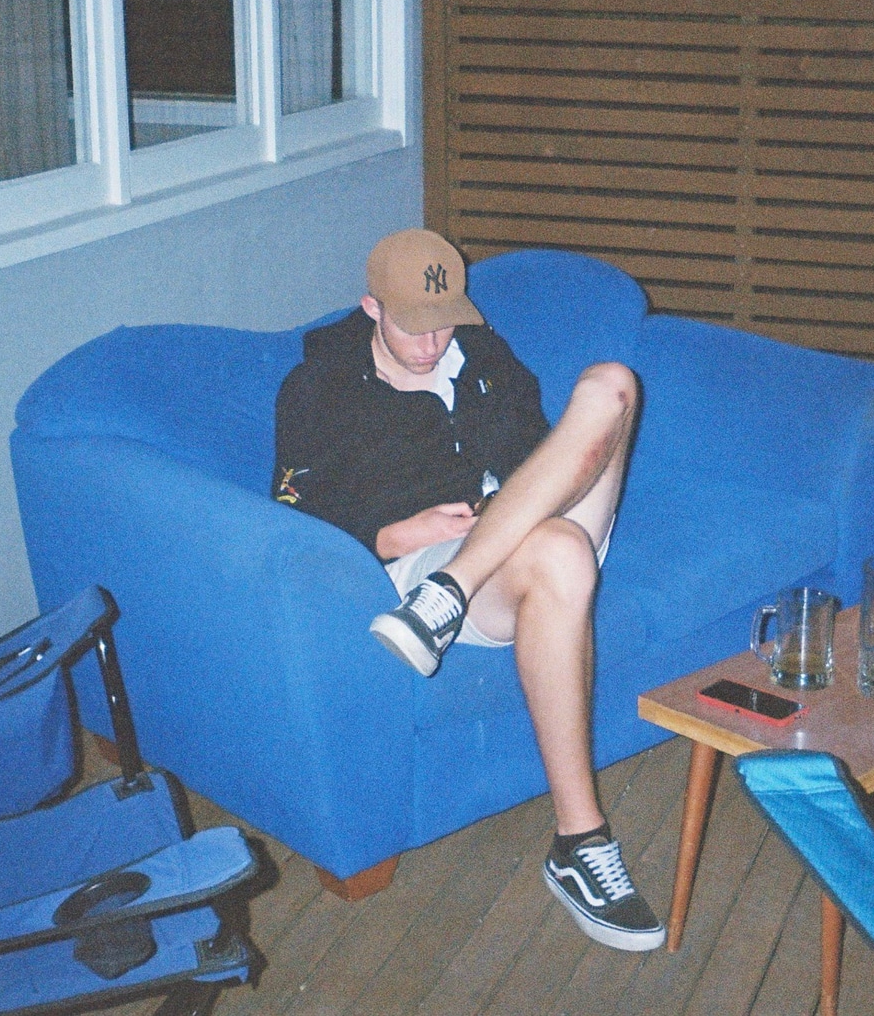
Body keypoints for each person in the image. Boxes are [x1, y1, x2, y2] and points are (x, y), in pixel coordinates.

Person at [273, 229, 663, 951]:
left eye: (445, 323)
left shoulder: (483, 355)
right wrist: (393, 533)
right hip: (432, 556)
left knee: (614, 384)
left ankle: (450, 594)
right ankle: (581, 841)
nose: (431, 345)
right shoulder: (320, 386)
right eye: (412, 326)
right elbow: (292, 510)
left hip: (508, 534)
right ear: (371, 307)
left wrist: (502, 507)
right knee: (560, 555)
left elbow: (542, 456)